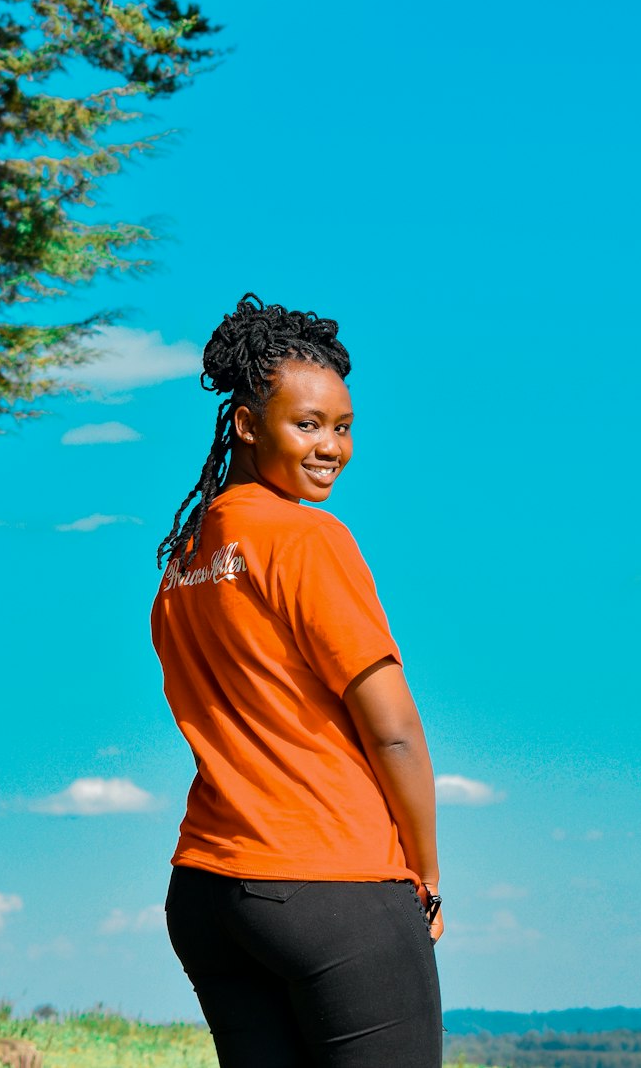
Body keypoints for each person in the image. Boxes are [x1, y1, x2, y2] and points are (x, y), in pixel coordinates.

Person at [151, 294, 443, 1068]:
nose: (331, 448)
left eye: (342, 427)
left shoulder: (184, 562)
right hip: (330, 879)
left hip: (210, 892)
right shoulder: (307, 538)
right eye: (306, 424)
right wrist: (426, 872)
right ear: (246, 424)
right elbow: (392, 728)